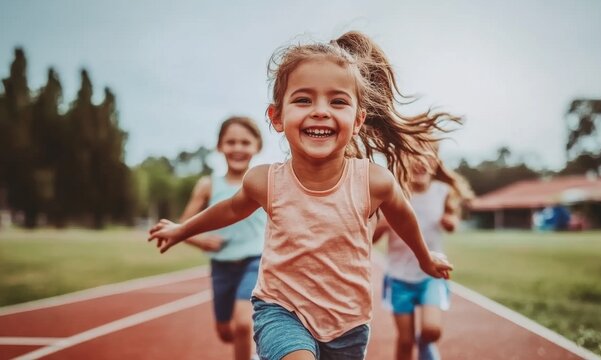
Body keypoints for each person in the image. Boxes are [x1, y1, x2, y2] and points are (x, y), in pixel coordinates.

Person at [149, 31, 458, 360]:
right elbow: (227, 210)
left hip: (348, 323)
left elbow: (402, 216)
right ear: (277, 117)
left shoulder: (373, 181)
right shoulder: (264, 181)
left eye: (337, 101)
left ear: (357, 120)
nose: (321, 111)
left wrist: (425, 257)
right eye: (303, 100)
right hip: (281, 310)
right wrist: (182, 229)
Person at [179, 116, 265, 360]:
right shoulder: (208, 185)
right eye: (231, 142)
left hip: (255, 262)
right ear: (219, 146)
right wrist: (200, 240)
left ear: (257, 147)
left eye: (245, 143)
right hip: (221, 266)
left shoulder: (262, 182)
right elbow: (184, 226)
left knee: (243, 324)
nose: (238, 148)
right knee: (226, 330)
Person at [373, 157, 473, 360]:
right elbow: (371, 239)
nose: (420, 162)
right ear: (403, 162)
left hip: (432, 274)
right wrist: (382, 226)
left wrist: (450, 222)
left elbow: (452, 215)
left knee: (432, 330)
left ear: (435, 163)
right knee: (404, 341)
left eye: (426, 157)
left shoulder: (441, 191)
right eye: (413, 157)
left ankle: (425, 343)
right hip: (399, 277)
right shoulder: (394, 193)